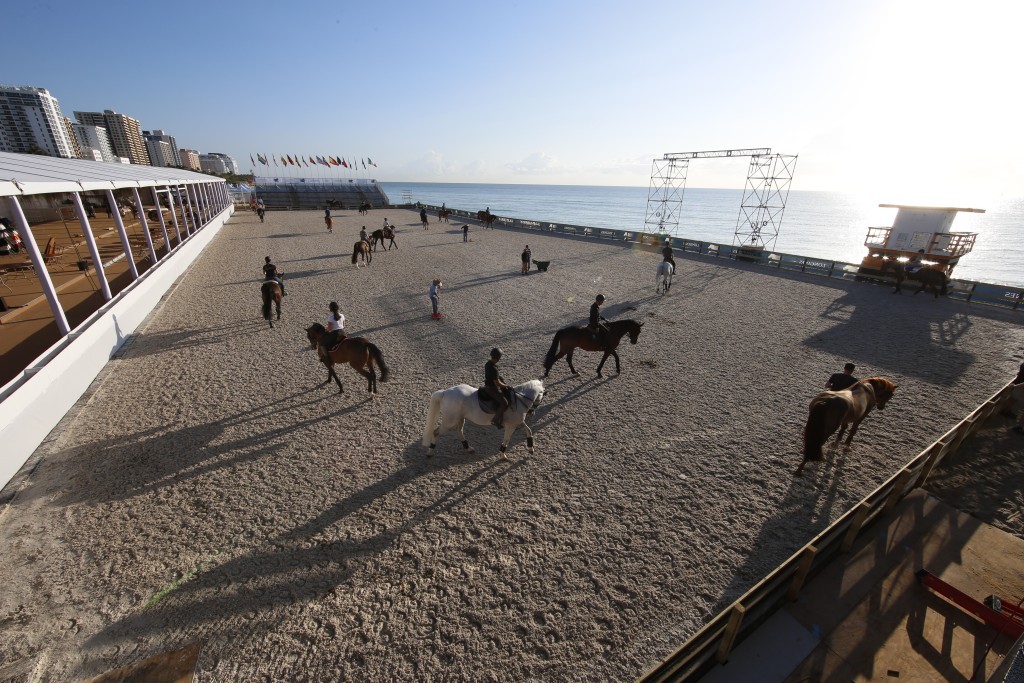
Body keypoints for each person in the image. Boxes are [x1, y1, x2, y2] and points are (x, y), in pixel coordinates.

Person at [483, 347, 510, 428]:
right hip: (492, 388)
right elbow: (497, 383)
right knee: (504, 403)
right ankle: (495, 420)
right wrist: (506, 385)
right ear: (498, 358)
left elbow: (496, 377)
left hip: (487, 385)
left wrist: (501, 379)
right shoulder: (494, 368)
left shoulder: (488, 363)